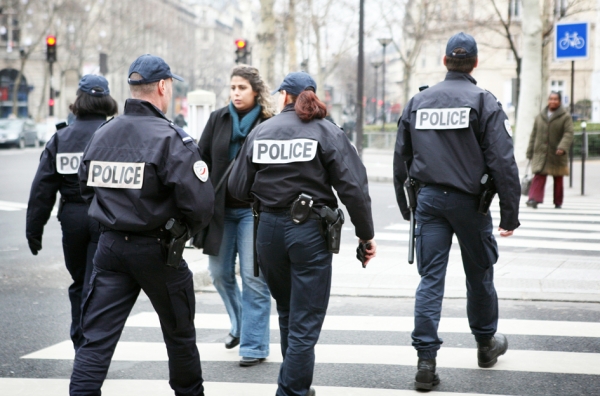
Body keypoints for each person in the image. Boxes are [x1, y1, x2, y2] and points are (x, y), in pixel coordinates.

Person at [69, 54, 214, 396]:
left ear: (132, 89)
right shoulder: (172, 139)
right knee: (179, 334)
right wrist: (182, 232)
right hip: (159, 250)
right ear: (163, 87)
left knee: (95, 339)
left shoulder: (103, 134)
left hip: (111, 248)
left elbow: (84, 185)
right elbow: (200, 204)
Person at [228, 71, 377, 396]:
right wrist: (365, 236)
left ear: (284, 96)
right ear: (311, 95)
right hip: (309, 233)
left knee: (288, 311)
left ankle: (296, 385)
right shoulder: (326, 131)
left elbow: (237, 187)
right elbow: (354, 188)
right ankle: (291, 390)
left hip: (267, 232)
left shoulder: (261, 132)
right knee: (305, 321)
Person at [393, 32, 521, 391]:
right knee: (478, 274)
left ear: (445, 61)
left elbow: (401, 157)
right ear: (474, 63)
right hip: (470, 203)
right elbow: (503, 162)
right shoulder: (484, 101)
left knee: (430, 279)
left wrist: (407, 206)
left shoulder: (418, 101)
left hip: (430, 202)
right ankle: (485, 345)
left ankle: (425, 361)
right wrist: (510, 213)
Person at [26, 75, 118, 351]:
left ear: (78, 100)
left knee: (80, 282)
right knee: (98, 283)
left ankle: (81, 341)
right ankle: (94, 345)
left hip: (74, 217)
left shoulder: (61, 137)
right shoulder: (116, 134)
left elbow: (42, 188)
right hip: (108, 216)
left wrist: (34, 230)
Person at [196, 65, 274, 366]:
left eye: (242, 88)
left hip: (254, 212)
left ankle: (253, 346)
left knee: (254, 279)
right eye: (232, 88)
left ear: (255, 91)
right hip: (220, 212)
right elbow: (199, 160)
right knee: (219, 274)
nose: (236, 93)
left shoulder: (269, 122)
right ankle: (241, 323)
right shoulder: (218, 119)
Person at [526, 91, 574, 209]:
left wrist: (562, 147)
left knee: (558, 178)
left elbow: (569, 133)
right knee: (539, 175)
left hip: (557, 153)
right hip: (541, 153)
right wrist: (530, 151)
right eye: (551, 99)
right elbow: (534, 134)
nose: (552, 101)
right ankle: (533, 199)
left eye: (555, 99)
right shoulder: (540, 116)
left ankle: (558, 202)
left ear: (559, 101)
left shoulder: (565, 117)